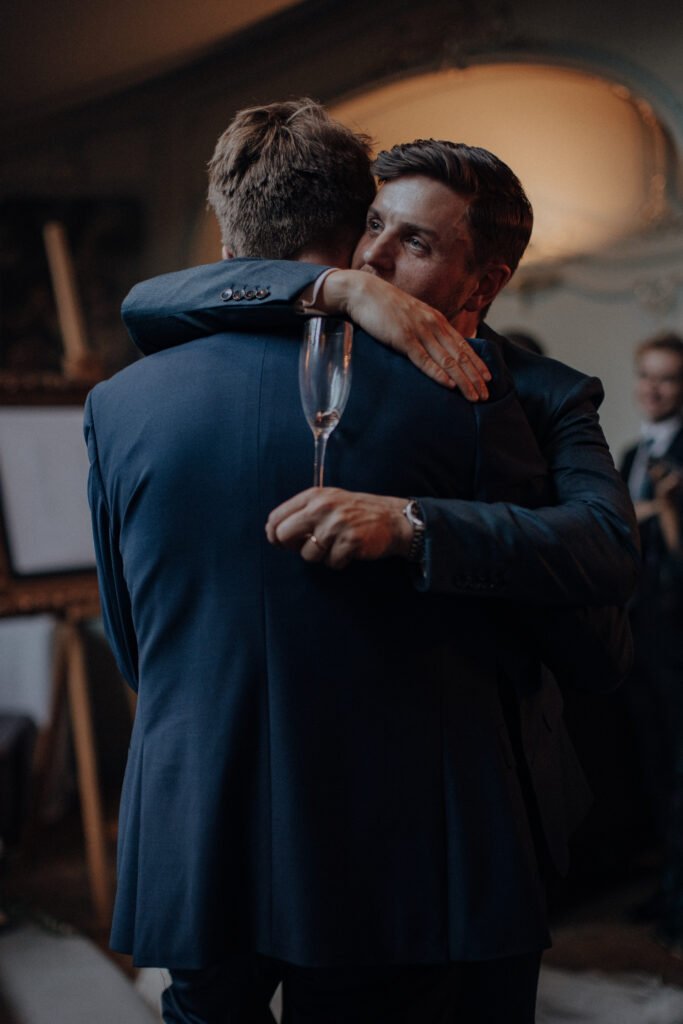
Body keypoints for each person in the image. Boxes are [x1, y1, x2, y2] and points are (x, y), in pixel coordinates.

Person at [86, 101, 633, 1024]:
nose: (374, 258)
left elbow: (603, 561)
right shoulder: (406, 367)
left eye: (411, 241)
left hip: (240, 804)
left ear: (485, 278)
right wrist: (333, 292)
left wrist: (414, 525)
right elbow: (150, 299)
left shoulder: (515, 393)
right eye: (371, 227)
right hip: (384, 817)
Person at [620, 332, 683, 946]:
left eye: (667, 379)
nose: (653, 389)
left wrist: (661, 513)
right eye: (647, 376)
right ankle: (666, 887)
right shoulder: (632, 453)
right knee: (654, 770)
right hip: (636, 635)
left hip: (677, 634)